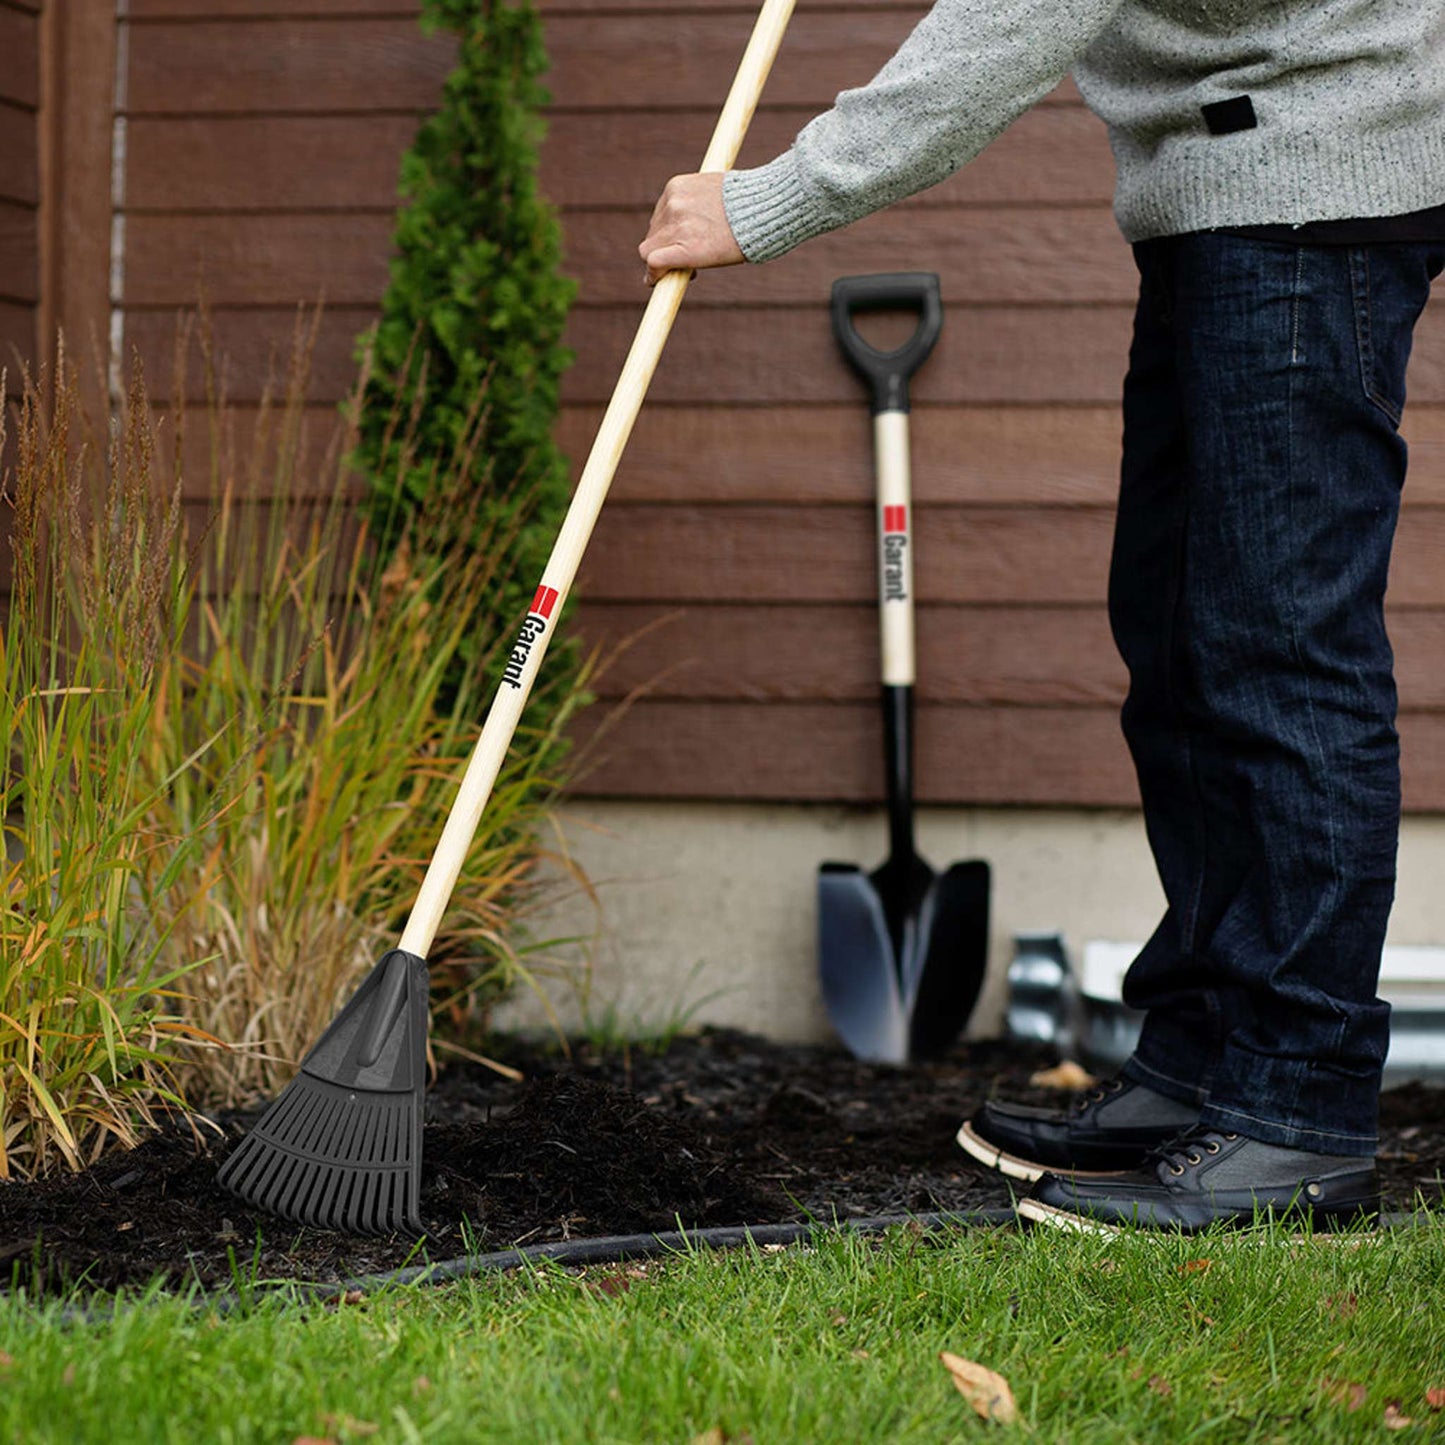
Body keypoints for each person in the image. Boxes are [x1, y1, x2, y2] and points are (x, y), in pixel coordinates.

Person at [639, 0, 1445, 1232]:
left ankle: (1297, 1109)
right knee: (1183, 642)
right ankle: (1201, 1061)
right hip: (1231, 190)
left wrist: (766, 202)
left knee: (1281, 651)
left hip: (1309, 181)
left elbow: (1009, 18)